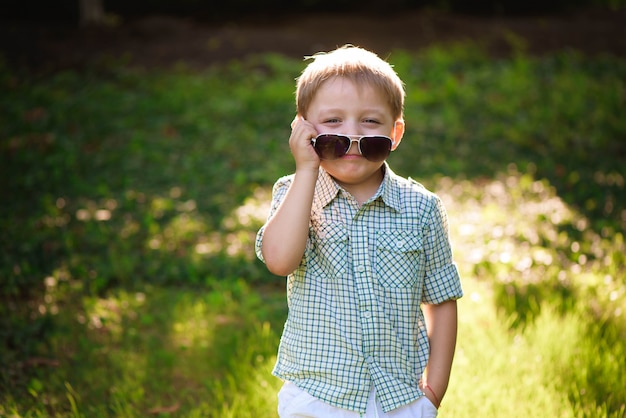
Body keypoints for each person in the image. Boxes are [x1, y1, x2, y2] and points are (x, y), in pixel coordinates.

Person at [255, 45, 463, 418]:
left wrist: (434, 391)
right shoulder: (295, 193)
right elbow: (280, 260)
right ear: (303, 128)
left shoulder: (422, 208)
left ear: (395, 132)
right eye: (333, 122)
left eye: (369, 122)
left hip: (399, 398)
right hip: (318, 395)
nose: (351, 135)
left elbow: (442, 299)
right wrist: (305, 169)